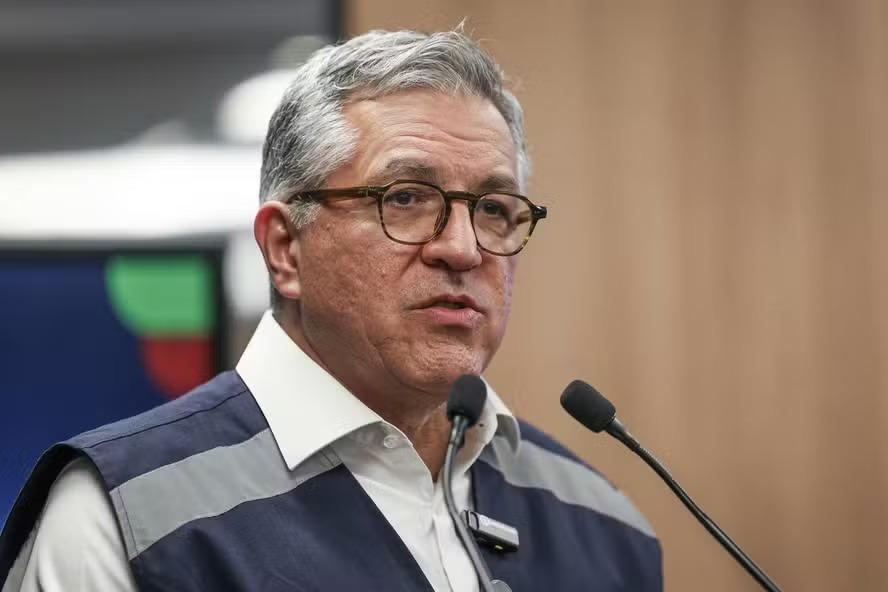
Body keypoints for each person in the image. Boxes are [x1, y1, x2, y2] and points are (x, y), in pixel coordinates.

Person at [0, 29, 662, 591]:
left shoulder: (606, 530)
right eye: (406, 198)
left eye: (493, 209)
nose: (463, 249)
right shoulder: (124, 518)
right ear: (285, 248)